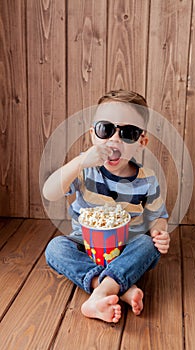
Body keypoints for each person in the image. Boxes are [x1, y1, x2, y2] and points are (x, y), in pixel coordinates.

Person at [43, 89, 170, 323]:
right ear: (93, 135)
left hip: (126, 248)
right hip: (86, 245)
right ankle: (115, 288)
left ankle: (101, 291)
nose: (114, 140)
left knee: (148, 244)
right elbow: (49, 192)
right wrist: (80, 161)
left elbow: (157, 216)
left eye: (128, 133)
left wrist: (159, 231)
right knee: (55, 248)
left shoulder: (147, 179)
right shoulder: (84, 170)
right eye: (105, 129)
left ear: (141, 142)